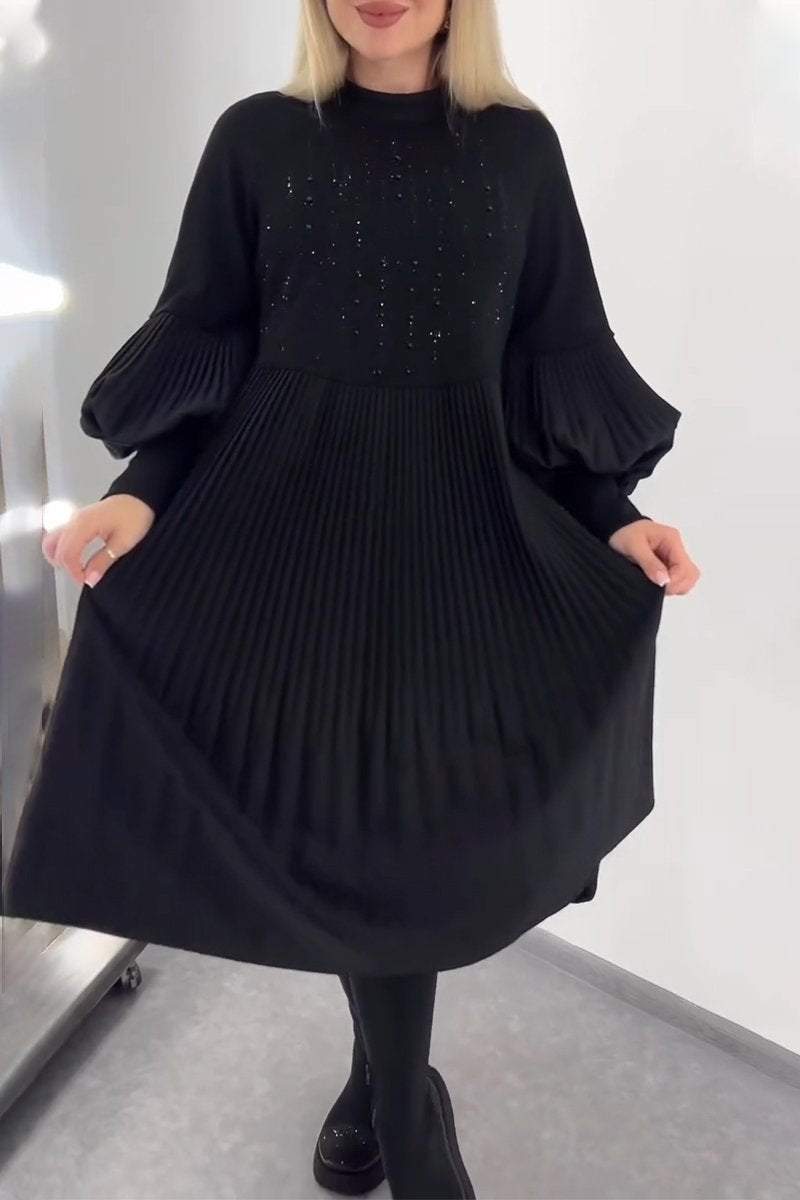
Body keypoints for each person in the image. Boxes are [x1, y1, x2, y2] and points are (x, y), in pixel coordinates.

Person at [4, 1, 700, 1196]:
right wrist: (140, 493)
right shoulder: (257, 140)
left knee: (411, 836)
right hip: (283, 531)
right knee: (339, 820)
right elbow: (213, 338)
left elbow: (543, 362)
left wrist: (611, 517)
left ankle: (386, 1085)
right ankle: (406, 1115)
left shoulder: (517, 151)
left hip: (453, 537)